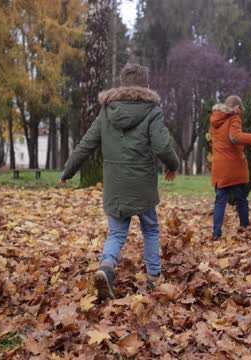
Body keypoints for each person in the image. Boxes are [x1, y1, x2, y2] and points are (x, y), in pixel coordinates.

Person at [61, 63, 179, 300]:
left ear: (122, 84)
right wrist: (172, 165)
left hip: (115, 185)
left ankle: (106, 266)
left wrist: (68, 170)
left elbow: (87, 143)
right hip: (142, 186)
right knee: (150, 229)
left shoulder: (107, 110)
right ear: (146, 85)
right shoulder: (152, 110)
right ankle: (154, 277)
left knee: (116, 233)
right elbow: (162, 145)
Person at [209, 95, 251, 241]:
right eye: (240, 109)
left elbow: (218, 139)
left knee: (220, 200)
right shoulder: (234, 116)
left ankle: (216, 234)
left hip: (219, 166)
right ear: (236, 107)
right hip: (233, 166)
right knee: (241, 198)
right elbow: (235, 137)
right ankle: (244, 228)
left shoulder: (215, 119)